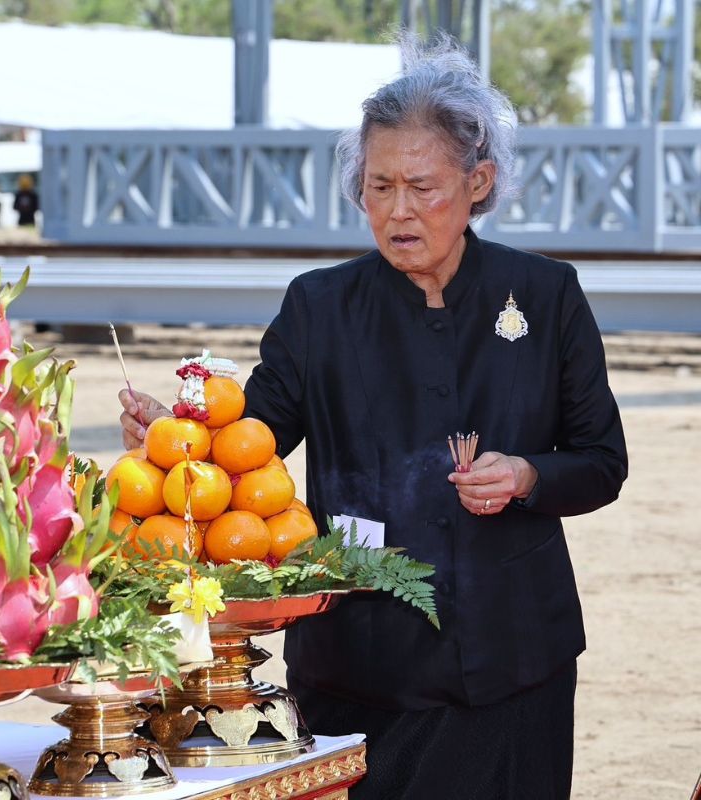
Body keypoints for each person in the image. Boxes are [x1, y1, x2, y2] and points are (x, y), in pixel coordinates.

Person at [119, 40, 627, 800]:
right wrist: (176, 438)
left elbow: (600, 460)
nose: (397, 210)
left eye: (422, 187)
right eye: (378, 186)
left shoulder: (546, 295)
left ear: (478, 183)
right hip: (358, 666)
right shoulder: (319, 306)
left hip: (512, 658)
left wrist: (526, 474)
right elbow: (248, 446)